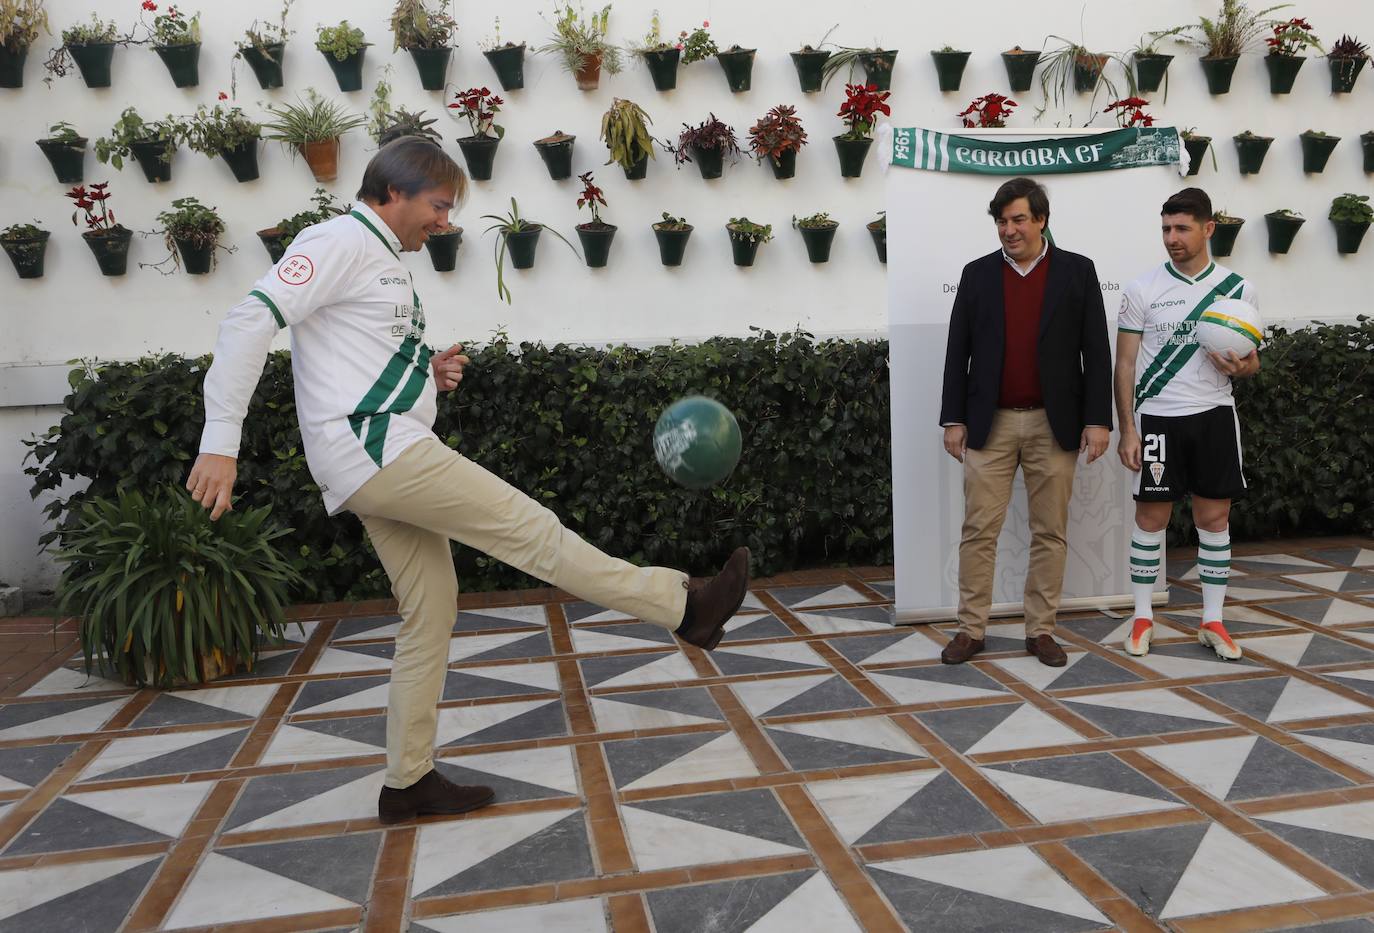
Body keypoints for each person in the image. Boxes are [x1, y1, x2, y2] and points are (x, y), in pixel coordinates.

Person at [185, 137, 750, 824]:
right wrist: (221, 442)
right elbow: (250, 317)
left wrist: (429, 373)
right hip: (379, 451)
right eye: (439, 205)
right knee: (536, 534)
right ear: (392, 192)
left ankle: (408, 781)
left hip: (377, 451)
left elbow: (350, 357)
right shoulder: (338, 240)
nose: (446, 221)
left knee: (431, 607)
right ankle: (684, 606)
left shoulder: (377, 256)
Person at [938, 177, 1113, 667]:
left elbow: (1096, 354)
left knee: (1050, 532)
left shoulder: (1078, 273)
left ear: (1041, 221)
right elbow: (959, 353)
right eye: (1002, 221)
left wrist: (1098, 421)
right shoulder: (976, 275)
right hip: (987, 426)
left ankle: (1040, 631)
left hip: (1052, 425)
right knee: (979, 531)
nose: (1009, 230)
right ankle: (971, 629)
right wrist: (954, 418)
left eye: (1018, 219)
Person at [1115, 187, 1259, 660]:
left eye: (1182, 229)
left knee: (1213, 518)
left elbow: (1252, 359)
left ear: (1208, 229)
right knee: (1150, 518)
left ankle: (1212, 620)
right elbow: (1125, 365)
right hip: (1157, 418)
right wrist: (1128, 430)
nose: (1172, 239)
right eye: (1166, 230)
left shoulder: (1237, 289)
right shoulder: (1142, 288)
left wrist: (1243, 369)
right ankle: (1141, 618)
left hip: (1215, 416)